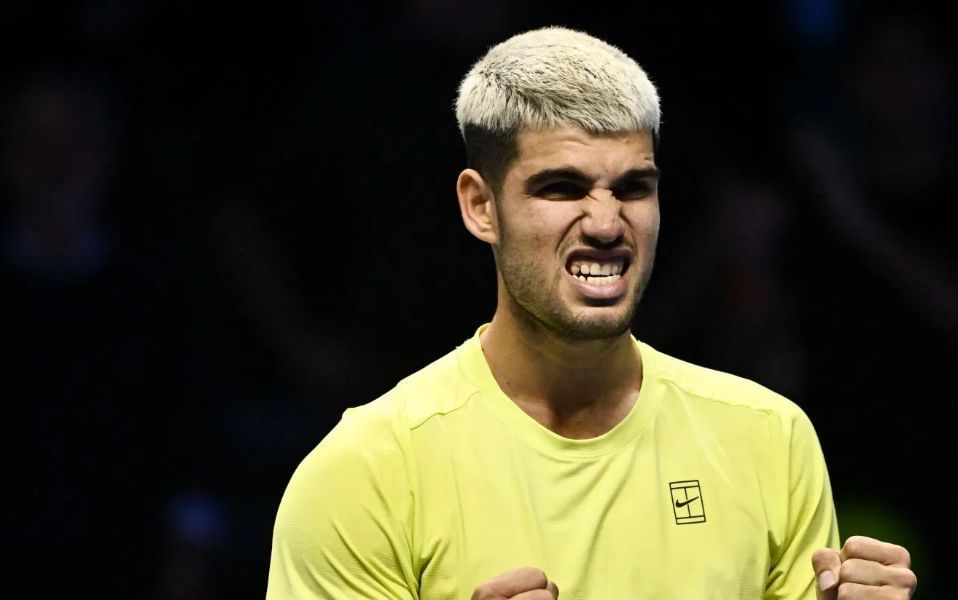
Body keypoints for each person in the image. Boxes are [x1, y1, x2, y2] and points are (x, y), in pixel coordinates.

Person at [267, 26, 917, 599]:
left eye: (634, 188)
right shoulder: (365, 473)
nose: (607, 222)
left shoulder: (770, 440)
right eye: (562, 187)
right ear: (480, 206)